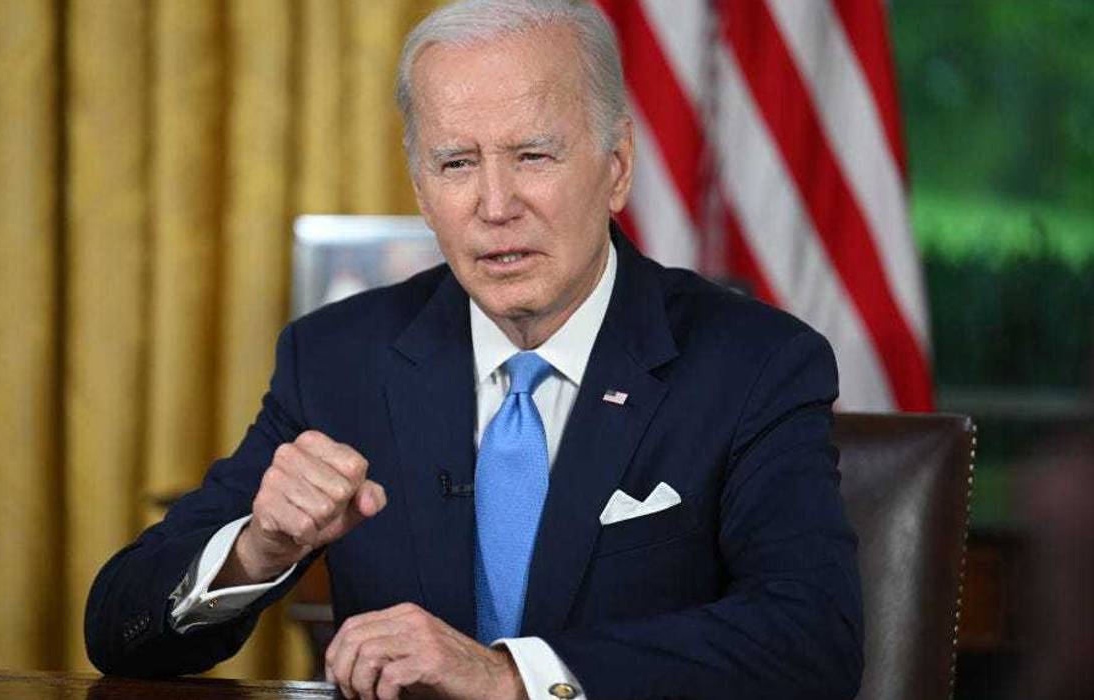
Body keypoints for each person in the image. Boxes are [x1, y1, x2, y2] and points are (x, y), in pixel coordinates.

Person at [85, 1, 863, 698]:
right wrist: (257, 549)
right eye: (456, 163)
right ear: (421, 188)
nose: (494, 206)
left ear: (616, 165)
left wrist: (510, 678)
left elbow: (808, 641)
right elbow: (117, 628)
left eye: (533, 156)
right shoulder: (338, 358)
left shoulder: (753, 362)